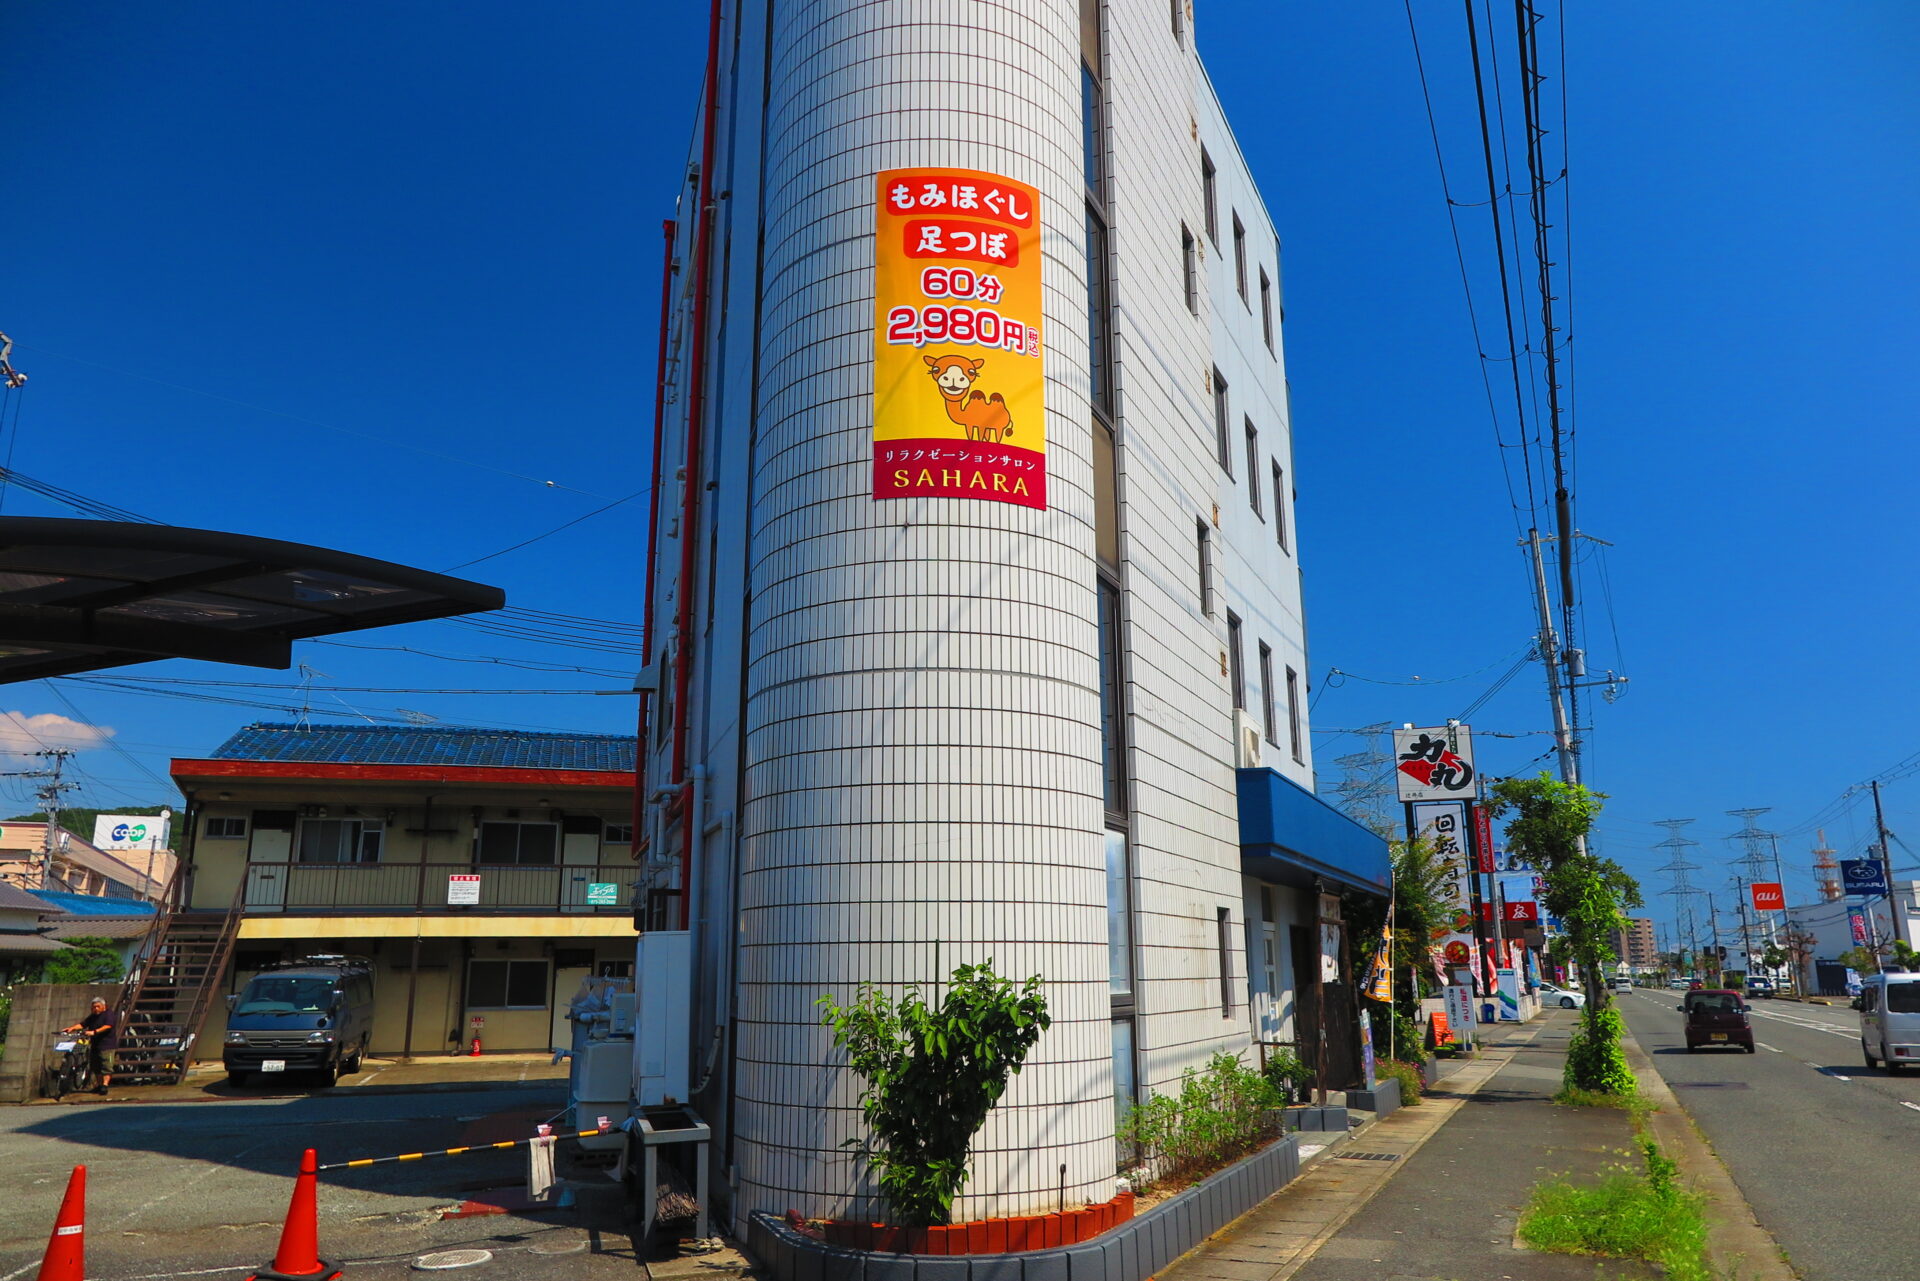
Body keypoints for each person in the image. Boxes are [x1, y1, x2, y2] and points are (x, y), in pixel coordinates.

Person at [60, 997, 118, 1095]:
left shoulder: (108, 1014)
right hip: (95, 1044)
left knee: (106, 1066)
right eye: (93, 1007)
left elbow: (108, 1026)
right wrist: (71, 1028)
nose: (95, 1009)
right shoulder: (93, 1016)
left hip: (107, 1045)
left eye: (98, 1007)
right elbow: (83, 1024)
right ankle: (99, 1085)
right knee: (96, 1066)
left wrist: (94, 1032)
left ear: (103, 1006)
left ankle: (105, 1085)